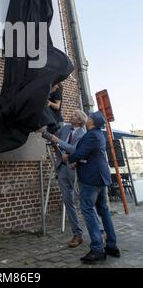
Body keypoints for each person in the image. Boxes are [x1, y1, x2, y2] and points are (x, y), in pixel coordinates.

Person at [62, 111, 120, 264]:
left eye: (89, 117)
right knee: (103, 211)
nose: (87, 119)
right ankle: (112, 245)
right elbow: (89, 155)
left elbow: (80, 152)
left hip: (91, 179)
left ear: (92, 122)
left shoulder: (92, 135)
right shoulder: (98, 134)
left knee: (87, 210)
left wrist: (68, 158)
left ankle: (97, 248)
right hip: (100, 177)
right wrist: (78, 162)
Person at [42, 110, 87, 248]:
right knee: (68, 201)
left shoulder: (83, 134)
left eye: (74, 115)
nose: (71, 115)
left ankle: (100, 230)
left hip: (75, 169)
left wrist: (58, 142)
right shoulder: (66, 128)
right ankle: (77, 233)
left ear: (80, 121)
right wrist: (42, 131)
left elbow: (75, 150)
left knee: (85, 202)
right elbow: (54, 139)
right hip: (61, 167)